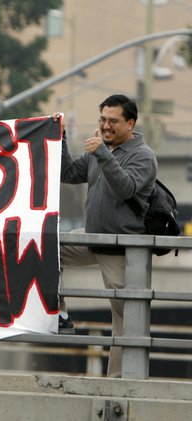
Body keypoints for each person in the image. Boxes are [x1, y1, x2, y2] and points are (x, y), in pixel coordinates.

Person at [55, 94, 157, 378]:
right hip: (92, 237)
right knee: (46, 246)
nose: (106, 126)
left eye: (113, 121)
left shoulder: (143, 156)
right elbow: (68, 172)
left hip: (121, 249)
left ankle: (120, 382)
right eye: (102, 120)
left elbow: (125, 188)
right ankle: (59, 312)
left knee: (127, 319)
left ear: (131, 123)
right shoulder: (101, 149)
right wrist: (60, 137)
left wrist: (101, 152)